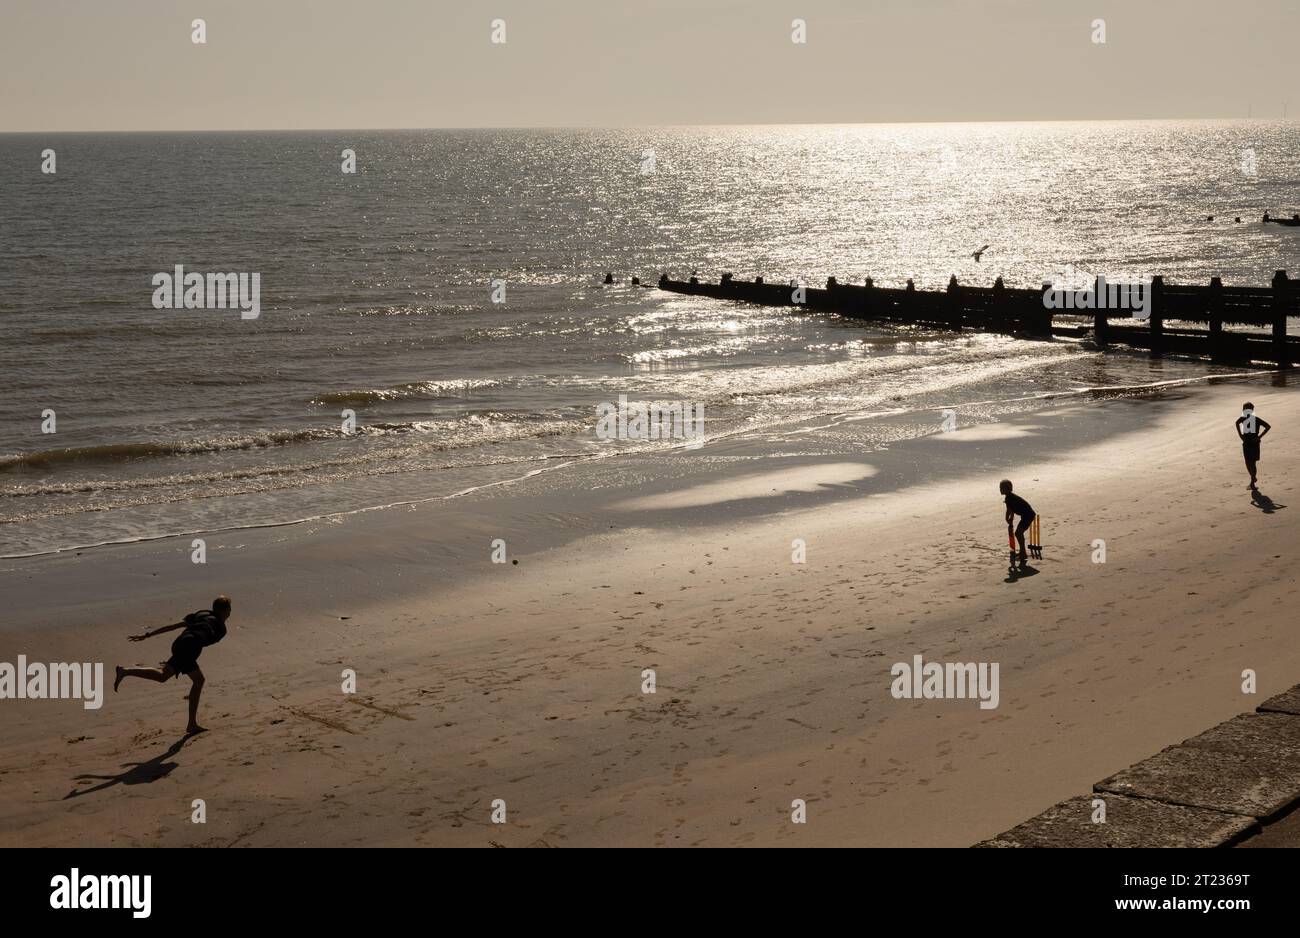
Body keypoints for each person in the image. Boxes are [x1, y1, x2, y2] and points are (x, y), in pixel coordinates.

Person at [114, 596, 231, 735]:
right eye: (229, 609)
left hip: (179, 643)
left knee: (163, 676)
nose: (230, 612)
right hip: (189, 647)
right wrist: (180, 659)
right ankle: (191, 724)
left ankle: (125, 671)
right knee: (199, 681)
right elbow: (201, 639)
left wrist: (147, 635)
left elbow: (174, 626)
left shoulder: (201, 614)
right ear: (225, 611)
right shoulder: (221, 629)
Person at [1235, 402, 1271, 489]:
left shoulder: (1250, 419)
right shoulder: (1246, 418)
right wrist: (1241, 435)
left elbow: (1268, 426)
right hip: (1250, 442)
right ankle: (1253, 478)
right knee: (1250, 462)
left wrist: (1259, 437)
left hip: (1250, 442)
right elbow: (1237, 423)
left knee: (1250, 462)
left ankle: (1252, 482)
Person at [1000, 480, 1036, 565]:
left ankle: (1023, 553)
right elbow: (1011, 510)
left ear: (1008, 489)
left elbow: (1010, 511)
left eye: (1002, 488)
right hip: (1026, 515)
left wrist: (1009, 520)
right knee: (1018, 533)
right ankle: (1022, 552)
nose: (1000, 490)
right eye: (1000, 488)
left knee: (1018, 533)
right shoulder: (1009, 497)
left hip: (1028, 515)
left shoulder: (1010, 498)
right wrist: (1009, 520)